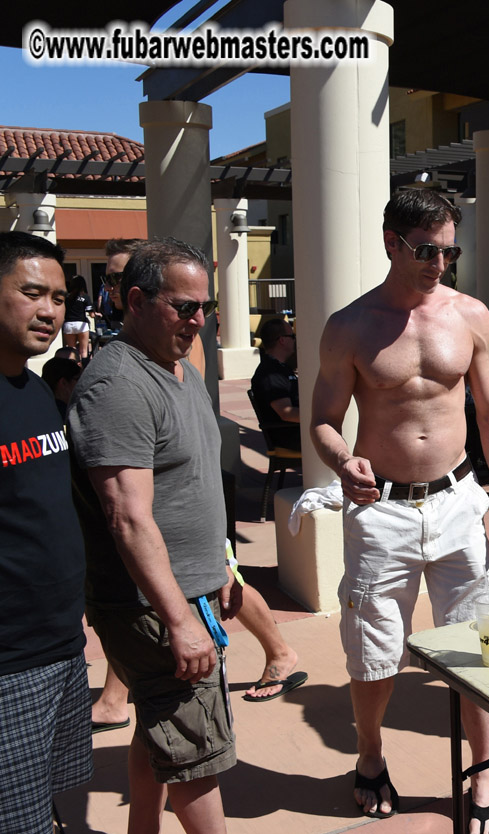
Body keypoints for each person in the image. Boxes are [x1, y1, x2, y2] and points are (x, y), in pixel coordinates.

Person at [310, 188, 489, 829]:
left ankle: (484, 777)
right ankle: (371, 756)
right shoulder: (350, 326)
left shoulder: (471, 316)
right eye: (427, 251)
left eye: (450, 251)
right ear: (391, 244)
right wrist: (342, 460)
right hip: (383, 512)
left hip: (459, 502)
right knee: (375, 654)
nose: (440, 264)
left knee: (479, 646)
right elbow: (323, 420)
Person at [68, 237, 239, 834]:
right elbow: (127, 516)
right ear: (136, 301)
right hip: (151, 607)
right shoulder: (118, 385)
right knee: (195, 753)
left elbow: (194, 483)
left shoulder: (180, 370)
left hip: (186, 594)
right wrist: (179, 618)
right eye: (184, 307)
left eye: (205, 307)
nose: (198, 321)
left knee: (162, 727)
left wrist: (222, 565)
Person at [0, 231, 93, 834]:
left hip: (60, 641)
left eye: (58, 298)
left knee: (43, 804)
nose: (49, 311)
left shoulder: (33, 386)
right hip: (10, 658)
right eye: (32, 293)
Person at [250, 317, 300, 451]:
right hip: (290, 439)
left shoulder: (282, 368)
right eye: (292, 336)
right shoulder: (270, 373)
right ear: (282, 340)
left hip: (298, 432)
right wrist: (319, 416)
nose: (295, 340)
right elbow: (287, 413)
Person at [40, 355, 82, 422]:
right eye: (78, 379)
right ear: (63, 383)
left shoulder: (38, 408)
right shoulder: (68, 417)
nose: (82, 383)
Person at [62, 274, 93, 359]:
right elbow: (91, 314)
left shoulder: (67, 297)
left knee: (71, 351)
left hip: (69, 324)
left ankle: (73, 366)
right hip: (81, 324)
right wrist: (95, 313)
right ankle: (84, 365)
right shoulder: (85, 297)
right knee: (84, 351)